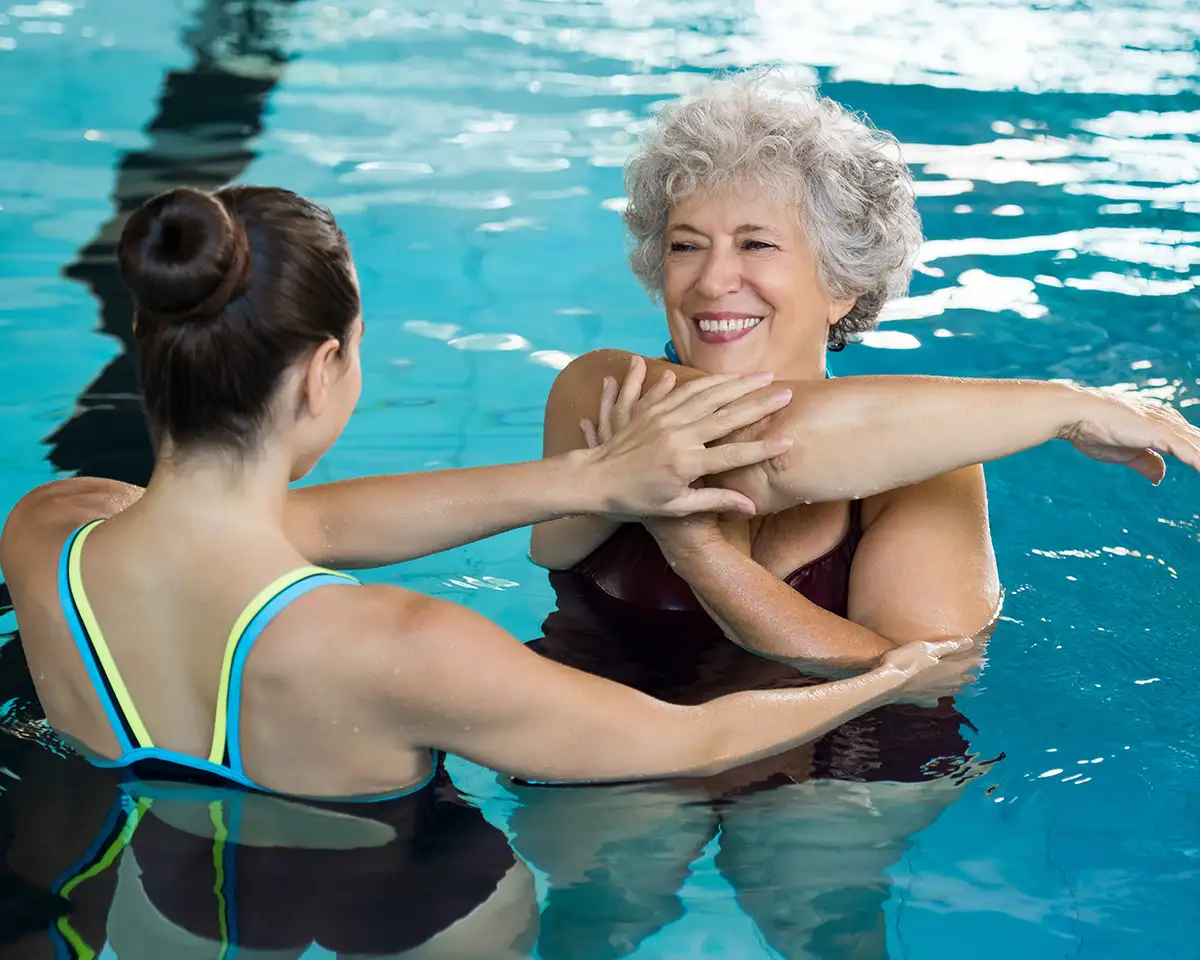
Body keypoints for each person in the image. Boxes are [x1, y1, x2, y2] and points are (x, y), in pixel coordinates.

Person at [0, 182, 971, 910]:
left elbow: (275, 526)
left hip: (148, 903)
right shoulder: (403, 649)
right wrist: (888, 677)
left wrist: (585, 484)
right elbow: (696, 740)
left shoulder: (48, 531)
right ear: (326, 370)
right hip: (390, 924)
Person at [515, 69, 1200, 959]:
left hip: (844, 748)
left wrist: (702, 555)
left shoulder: (931, 466)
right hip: (619, 707)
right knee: (597, 916)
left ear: (840, 287)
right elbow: (766, 445)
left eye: (757, 244)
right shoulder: (604, 393)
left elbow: (922, 675)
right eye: (686, 246)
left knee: (821, 922)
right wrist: (1061, 405)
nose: (714, 281)